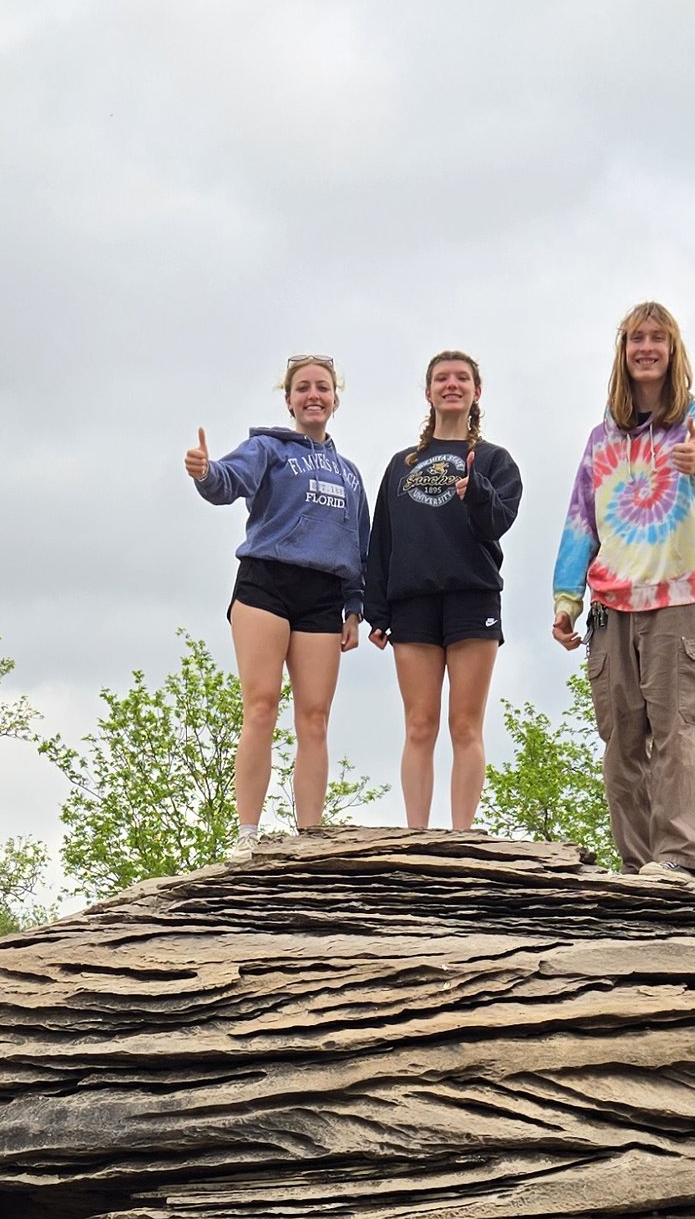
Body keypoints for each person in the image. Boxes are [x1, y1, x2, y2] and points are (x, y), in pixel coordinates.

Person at [550, 302, 695, 881]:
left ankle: (678, 857)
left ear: (673, 350)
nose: (646, 348)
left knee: (678, 730)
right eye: (635, 339)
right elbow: (581, 518)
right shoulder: (602, 438)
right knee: (622, 742)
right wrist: (566, 597)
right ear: (622, 354)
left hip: (676, 601)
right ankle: (637, 865)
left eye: (657, 338)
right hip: (611, 608)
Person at [184, 356, 370, 858]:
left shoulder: (351, 476)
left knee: (314, 717)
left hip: (323, 595)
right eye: (303, 387)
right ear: (288, 399)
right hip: (266, 582)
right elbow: (228, 482)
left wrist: (355, 607)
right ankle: (247, 835)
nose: (314, 395)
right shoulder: (268, 447)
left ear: (335, 399)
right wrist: (206, 473)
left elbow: (359, 547)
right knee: (261, 705)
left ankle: (310, 836)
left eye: (323, 388)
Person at [363, 350, 522, 834]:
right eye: (441, 378)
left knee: (465, 724)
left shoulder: (496, 460)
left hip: (472, 598)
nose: (451, 385)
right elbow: (381, 540)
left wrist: (475, 490)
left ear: (477, 391)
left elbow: (499, 522)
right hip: (412, 603)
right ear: (428, 390)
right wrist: (377, 612)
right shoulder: (400, 464)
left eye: (461, 378)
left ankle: (461, 836)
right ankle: (415, 835)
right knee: (419, 724)